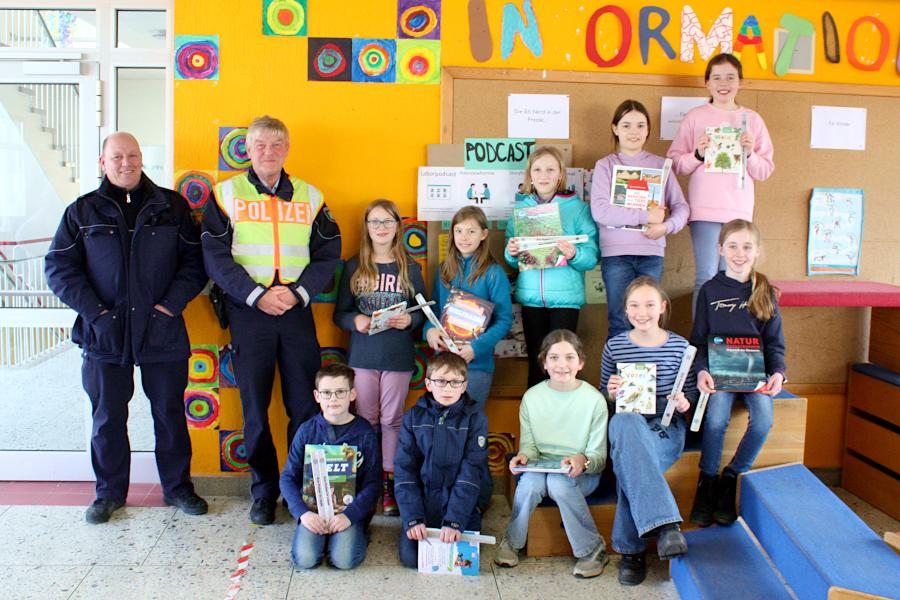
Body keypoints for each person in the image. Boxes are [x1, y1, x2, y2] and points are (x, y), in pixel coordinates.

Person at [45, 132, 208, 524]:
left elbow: (195, 263)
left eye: (132, 155)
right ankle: (108, 494)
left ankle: (178, 488)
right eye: (116, 156)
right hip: (105, 334)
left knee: (169, 414)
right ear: (103, 162)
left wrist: (169, 307)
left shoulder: (172, 206)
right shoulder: (82, 212)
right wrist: (96, 314)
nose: (125, 163)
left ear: (141, 159)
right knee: (107, 417)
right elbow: (59, 268)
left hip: (162, 331)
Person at [202, 115, 341, 525]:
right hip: (250, 314)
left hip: (296, 312)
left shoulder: (311, 197)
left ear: (287, 148)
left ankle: (300, 490)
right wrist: (256, 295)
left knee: (304, 405)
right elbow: (214, 255)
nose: (268, 152)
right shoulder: (225, 194)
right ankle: (263, 491)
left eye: (276, 144)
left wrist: (297, 293)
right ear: (247, 149)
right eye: (260, 144)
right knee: (254, 409)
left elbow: (329, 253)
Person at [689, 219, 785, 527]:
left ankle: (731, 477)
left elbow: (774, 343)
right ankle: (707, 481)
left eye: (746, 246)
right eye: (732, 246)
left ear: (757, 251)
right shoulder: (710, 290)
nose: (739, 253)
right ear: (720, 249)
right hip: (720, 374)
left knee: (764, 421)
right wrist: (702, 370)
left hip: (755, 376)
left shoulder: (765, 291)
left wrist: (778, 373)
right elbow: (699, 340)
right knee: (715, 420)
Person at [600, 277, 697, 585]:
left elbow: (692, 395)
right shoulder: (614, 346)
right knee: (625, 424)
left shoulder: (680, 346)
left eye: (650, 305)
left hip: (665, 426)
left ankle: (631, 553)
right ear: (625, 309)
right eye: (634, 305)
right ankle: (667, 526)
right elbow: (604, 392)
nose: (642, 312)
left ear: (663, 308)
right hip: (628, 422)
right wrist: (612, 392)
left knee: (632, 463)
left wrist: (684, 402)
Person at [333, 199, 426, 517]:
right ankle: (367, 480)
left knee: (392, 420)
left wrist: (411, 322)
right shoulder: (353, 265)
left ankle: (390, 484)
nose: (382, 227)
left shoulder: (410, 267)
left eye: (388, 221)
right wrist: (355, 321)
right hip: (362, 355)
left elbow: (425, 312)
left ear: (398, 226)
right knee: (366, 420)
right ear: (367, 227)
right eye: (375, 221)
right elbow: (340, 313)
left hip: (398, 356)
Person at [495, 330, 609, 579]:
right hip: (542, 468)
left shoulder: (594, 400)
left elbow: (598, 457)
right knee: (531, 481)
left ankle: (592, 549)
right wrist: (522, 458)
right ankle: (512, 541)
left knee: (559, 481)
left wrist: (582, 460)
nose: (562, 364)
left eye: (569, 357)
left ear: (580, 362)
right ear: (544, 363)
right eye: (554, 357)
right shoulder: (532, 397)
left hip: (582, 474)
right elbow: (530, 447)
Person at [666, 53, 774, 314]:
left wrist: (749, 154)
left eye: (730, 77)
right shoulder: (695, 117)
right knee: (705, 278)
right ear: (707, 83)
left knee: (735, 280)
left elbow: (765, 170)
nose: (723, 83)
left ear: (741, 82)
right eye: (716, 77)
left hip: (738, 214)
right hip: (704, 211)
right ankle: (701, 344)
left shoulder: (752, 120)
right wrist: (698, 155)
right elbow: (675, 163)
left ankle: (727, 344)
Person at [591, 100, 689, 339]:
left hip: (651, 254)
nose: (633, 131)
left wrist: (665, 226)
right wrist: (646, 215)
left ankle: (645, 376)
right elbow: (600, 211)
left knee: (649, 322)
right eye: (626, 125)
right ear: (615, 128)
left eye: (640, 125)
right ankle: (617, 377)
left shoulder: (661, 166)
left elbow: (682, 207)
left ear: (648, 130)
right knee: (619, 319)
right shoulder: (605, 165)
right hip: (616, 255)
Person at [504, 147, 599, 387]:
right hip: (532, 299)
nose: (543, 175)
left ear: (560, 174)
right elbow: (512, 256)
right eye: (537, 169)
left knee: (563, 367)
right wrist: (511, 252)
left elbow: (592, 256)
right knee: (537, 368)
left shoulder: (577, 209)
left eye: (550, 169)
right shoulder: (520, 210)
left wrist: (574, 253)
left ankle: (564, 420)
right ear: (529, 176)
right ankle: (535, 422)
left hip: (565, 301)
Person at [279, 364, 381, 570]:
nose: (333, 398)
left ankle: (358, 531)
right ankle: (321, 536)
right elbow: (287, 478)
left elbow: (373, 483)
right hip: (313, 510)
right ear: (317, 396)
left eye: (340, 392)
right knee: (306, 560)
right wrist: (303, 514)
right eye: (326, 393)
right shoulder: (307, 431)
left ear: (352, 394)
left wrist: (350, 516)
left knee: (343, 561)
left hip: (348, 511)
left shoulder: (365, 433)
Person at [393, 353, 488, 569]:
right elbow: (404, 470)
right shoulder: (413, 418)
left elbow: (471, 471)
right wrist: (413, 518)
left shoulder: (476, 418)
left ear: (464, 386)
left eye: (455, 382)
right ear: (428, 384)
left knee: (460, 560)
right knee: (411, 559)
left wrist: (455, 520)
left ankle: (464, 518)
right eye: (440, 381)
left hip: (460, 505)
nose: (447, 388)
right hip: (423, 504)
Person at [425, 206, 512, 410]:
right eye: (459, 231)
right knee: (441, 423)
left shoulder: (493, 273)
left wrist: (476, 348)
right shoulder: (444, 270)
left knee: (470, 424)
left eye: (471, 231)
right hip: (443, 364)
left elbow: (504, 320)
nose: (464, 237)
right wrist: (428, 331)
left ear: (484, 234)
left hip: (477, 366)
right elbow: (433, 312)